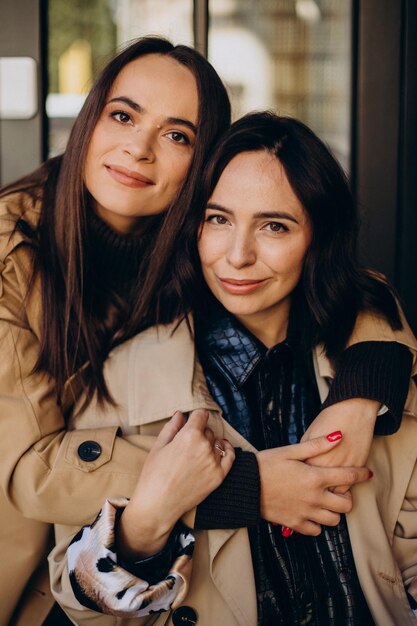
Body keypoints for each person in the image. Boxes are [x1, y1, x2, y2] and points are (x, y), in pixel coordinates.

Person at [49, 112, 417, 626]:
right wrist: (151, 524)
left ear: (318, 236)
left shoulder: (372, 365)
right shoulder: (121, 378)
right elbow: (78, 601)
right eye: (217, 219)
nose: (238, 255)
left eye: (274, 226)